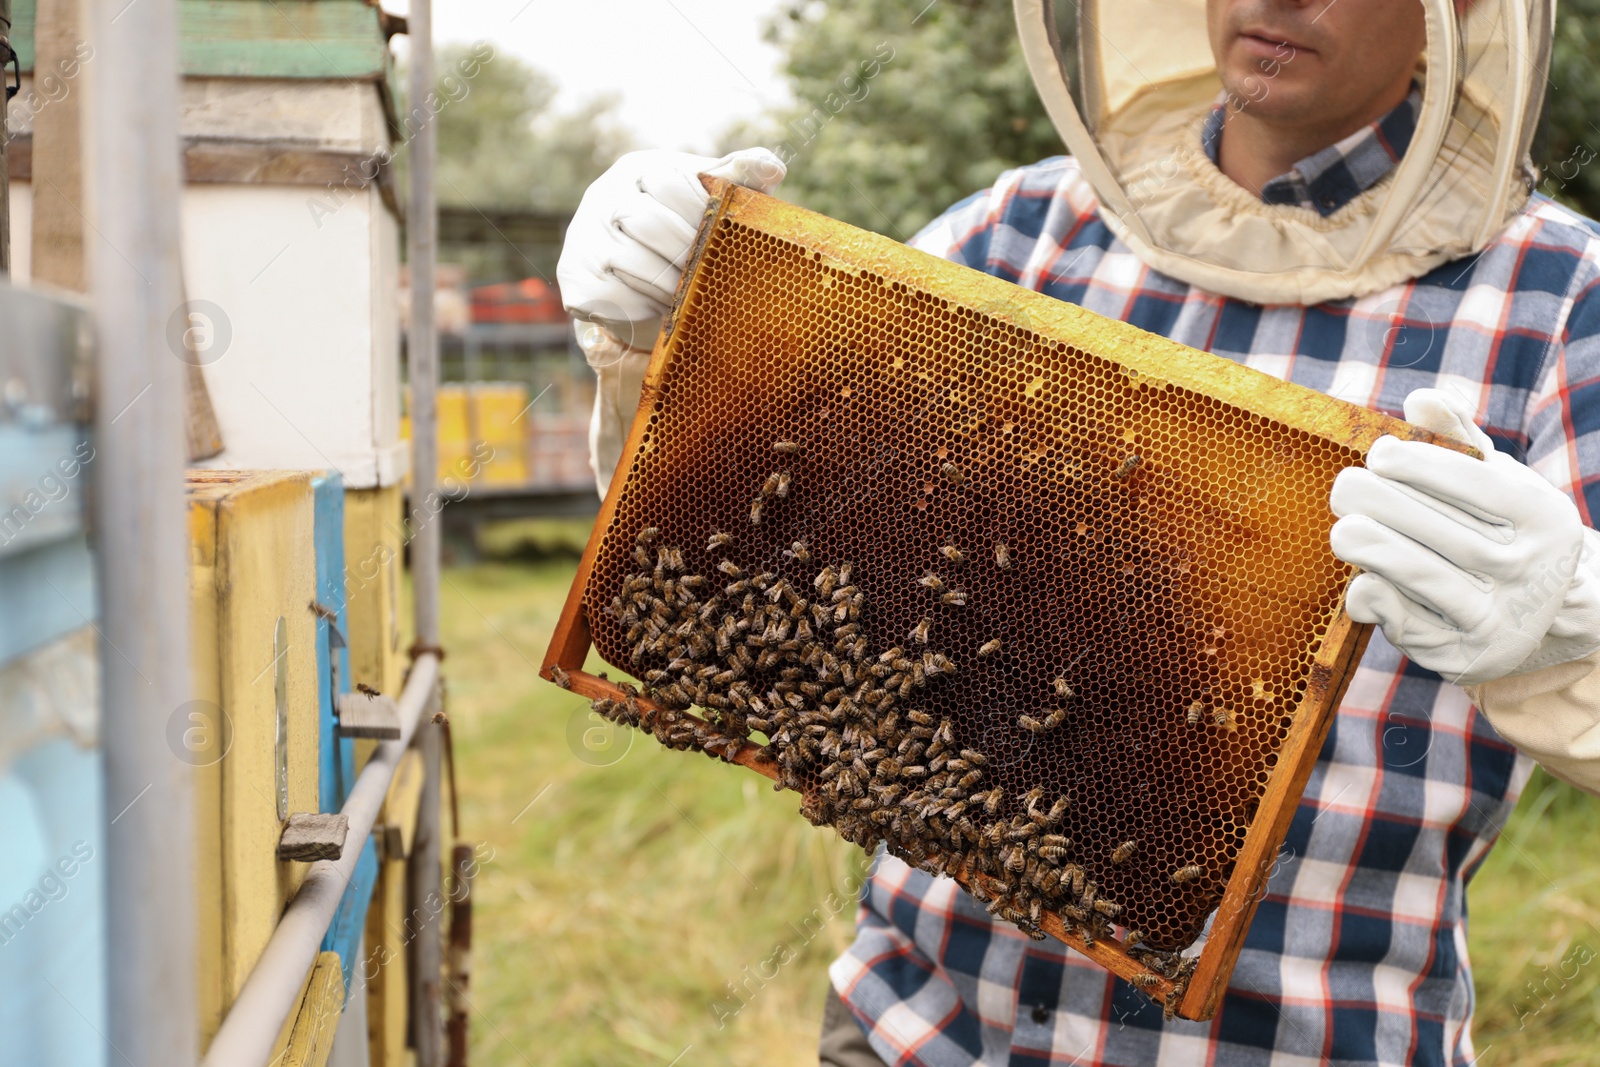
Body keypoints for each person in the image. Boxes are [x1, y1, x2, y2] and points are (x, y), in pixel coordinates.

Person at [557, 0, 1600, 1062]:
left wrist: (1577, 628)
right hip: (919, 1029)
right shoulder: (1014, 233)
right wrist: (659, 341)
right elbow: (733, 539)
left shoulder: (1564, 302)